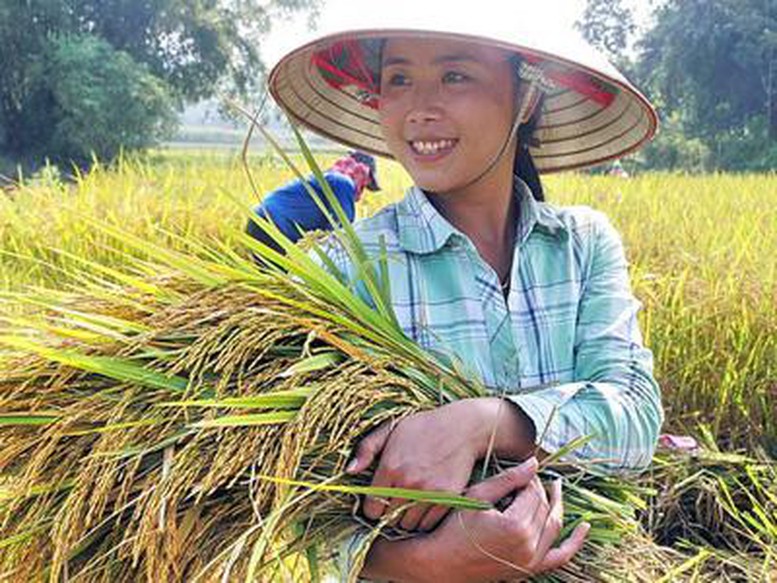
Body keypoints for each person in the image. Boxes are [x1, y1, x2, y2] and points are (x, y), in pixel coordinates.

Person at [266, 13, 664, 582]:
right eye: (399, 80)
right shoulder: (341, 270)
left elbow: (634, 416)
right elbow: (294, 498)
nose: (420, 108)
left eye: (455, 76)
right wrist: (426, 562)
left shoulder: (580, 246)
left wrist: (484, 422)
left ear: (525, 96)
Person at [245, 150, 380, 253]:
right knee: (290, 280)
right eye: (366, 184)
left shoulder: (327, 178)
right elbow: (341, 232)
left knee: (272, 281)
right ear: (361, 172)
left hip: (259, 221)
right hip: (274, 226)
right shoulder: (343, 182)